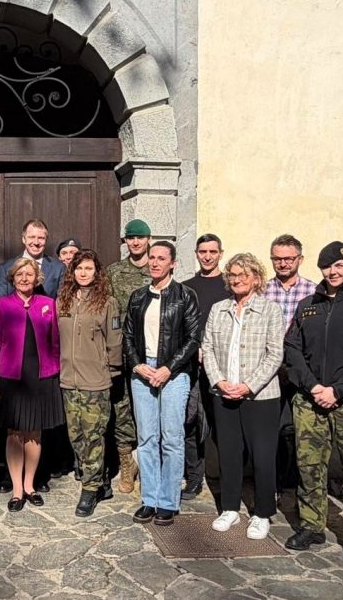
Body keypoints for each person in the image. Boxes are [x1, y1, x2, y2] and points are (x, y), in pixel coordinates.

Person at [283, 241, 343, 565]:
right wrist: (312, 386)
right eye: (327, 266)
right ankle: (312, 525)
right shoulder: (307, 307)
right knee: (310, 467)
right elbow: (292, 350)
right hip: (310, 401)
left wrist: (337, 390)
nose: (333, 271)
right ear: (321, 270)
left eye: (339, 266)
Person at [203, 253, 284, 540]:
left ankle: (262, 513)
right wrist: (219, 381)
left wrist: (248, 385)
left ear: (256, 279)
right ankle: (229, 508)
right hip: (224, 393)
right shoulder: (218, 309)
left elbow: (275, 354)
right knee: (229, 453)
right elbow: (208, 347)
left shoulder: (270, 311)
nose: (237, 280)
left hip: (259, 397)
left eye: (243, 275)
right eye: (233, 275)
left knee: (262, 456)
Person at [124, 241, 202, 527]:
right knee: (146, 438)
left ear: (173, 264)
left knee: (171, 438)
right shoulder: (137, 297)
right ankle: (150, 499)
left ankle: (168, 502)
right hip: (143, 370)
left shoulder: (186, 296)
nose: (155, 263)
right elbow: (128, 336)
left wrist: (169, 368)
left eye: (161, 258)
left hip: (175, 372)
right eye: (152, 258)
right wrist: (137, 365)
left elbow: (194, 338)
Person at [0, 258, 65, 512]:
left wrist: (57, 373)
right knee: (14, 433)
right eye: (19, 274)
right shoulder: (0, 305)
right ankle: (16, 489)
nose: (24, 279)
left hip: (42, 377)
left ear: (37, 278)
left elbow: (56, 343)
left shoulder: (48, 304)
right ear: (12, 278)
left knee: (35, 432)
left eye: (29, 274)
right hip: (11, 377)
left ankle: (30, 485)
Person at [56, 249, 122, 516]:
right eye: (79, 269)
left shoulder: (106, 302)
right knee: (76, 435)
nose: (83, 273)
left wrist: (112, 370)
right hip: (68, 379)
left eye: (89, 269)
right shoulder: (64, 299)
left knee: (94, 435)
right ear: (72, 272)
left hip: (95, 379)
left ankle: (91, 488)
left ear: (97, 272)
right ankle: (99, 476)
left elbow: (114, 340)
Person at [263, 234, 318, 493]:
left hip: (302, 371)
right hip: (269, 371)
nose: (283, 263)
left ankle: (297, 484)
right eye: (278, 259)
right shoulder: (262, 290)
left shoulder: (314, 292)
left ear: (300, 259)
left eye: (289, 258)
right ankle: (271, 483)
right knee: (270, 430)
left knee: (300, 431)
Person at [180, 233, 230, 500]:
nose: (208, 256)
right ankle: (194, 477)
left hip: (223, 368)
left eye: (213, 251)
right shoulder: (186, 288)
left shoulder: (230, 286)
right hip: (191, 367)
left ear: (221, 253)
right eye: (203, 252)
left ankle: (227, 477)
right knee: (190, 422)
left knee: (223, 424)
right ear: (196, 254)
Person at [105, 218, 153, 494]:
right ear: (125, 241)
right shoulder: (115, 271)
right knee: (122, 409)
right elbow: (109, 311)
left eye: (140, 238)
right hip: (121, 351)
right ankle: (126, 466)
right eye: (131, 238)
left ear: (148, 239)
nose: (135, 242)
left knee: (148, 409)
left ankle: (145, 463)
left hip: (150, 351)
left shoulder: (156, 267)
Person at [0, 219, 65, 300]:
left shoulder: (58, 268)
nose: (36, 242)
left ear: (46, 240)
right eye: (31, 237)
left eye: (41, 238)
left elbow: (62, 303)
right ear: (23, 239)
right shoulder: (6, 268)